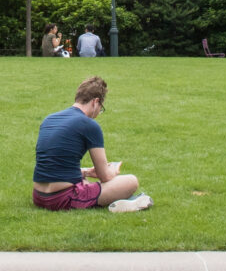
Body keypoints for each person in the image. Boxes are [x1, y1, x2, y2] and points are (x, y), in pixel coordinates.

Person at [31, 75, 149, 212]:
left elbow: (53, 164)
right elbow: (105, 176)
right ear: (95, 102)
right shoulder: (89, 125)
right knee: (131, 181)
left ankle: (124, 201)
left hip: (39, 196)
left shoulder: (49, 119)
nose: (99, 111)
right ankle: (126, 201)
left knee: (85, 182)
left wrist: (86, 171)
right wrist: (112, 171)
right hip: (61, 198)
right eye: (101, 107)